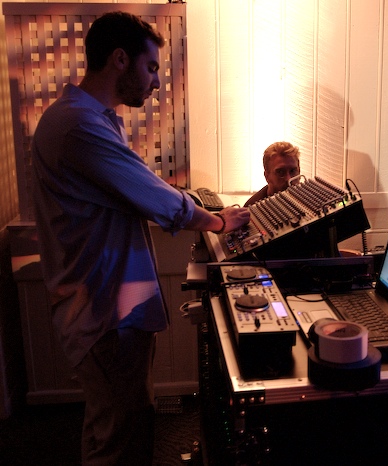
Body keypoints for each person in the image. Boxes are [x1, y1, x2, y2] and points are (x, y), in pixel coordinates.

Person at [30, 12, 250, 465]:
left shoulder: (93, 119)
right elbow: (154, 198)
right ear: (119, 59)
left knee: (110, 424)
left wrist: (194, 206)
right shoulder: (78, 125)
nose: (155, 81)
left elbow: (135, 187)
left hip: (107, 304)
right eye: (150, 68)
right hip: (103, 311)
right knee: (122, 436)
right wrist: (218, 222)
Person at [244, 141, 301, 206]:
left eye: (293, 171)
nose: (288, 179)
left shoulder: (308, 197)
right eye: (280, 172)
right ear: (267, 176)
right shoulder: (252, 207)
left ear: (299, 171)